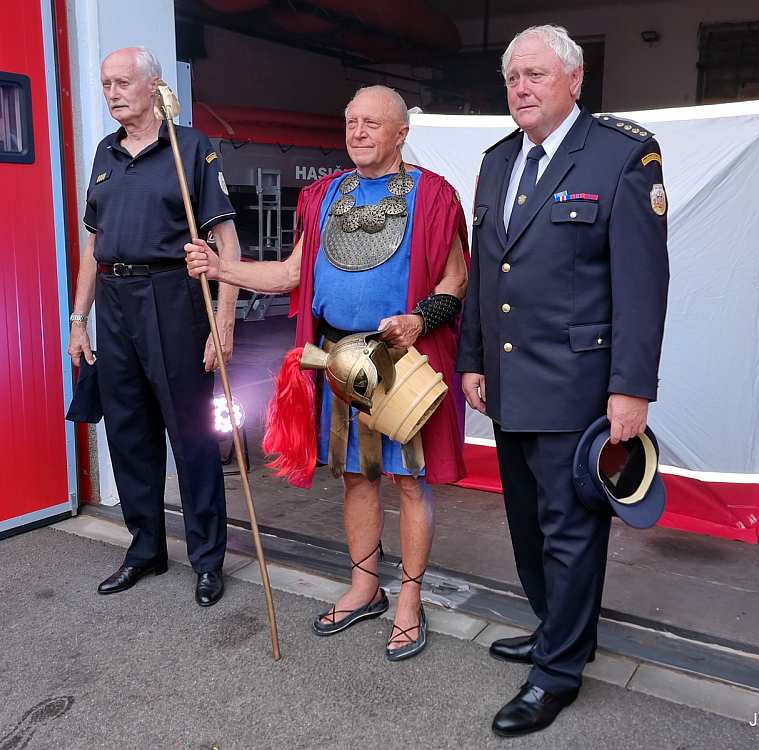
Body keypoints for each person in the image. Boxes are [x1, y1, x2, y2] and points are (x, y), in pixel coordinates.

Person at [185, 85, 469, 660]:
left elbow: (456, 279)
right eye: (351, 121)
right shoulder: (321, 197)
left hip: (402, 360)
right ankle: (365, 587)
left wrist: (419, 319)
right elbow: (292, 275)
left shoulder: (435, 196)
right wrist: (221, 268)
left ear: (401, 133)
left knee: (409, 482)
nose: (357, 132)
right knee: (356, 478)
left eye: (371, 123)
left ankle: (410, 600)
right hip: (338, 361)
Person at [457, 25, 670, 735]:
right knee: (526, 528)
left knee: (571, 533)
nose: (521, 88)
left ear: (575, 80)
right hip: (509, 382)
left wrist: (631, 388)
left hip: (578, 385)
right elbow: (488, 272)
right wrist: (472, 358)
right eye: (512, 77)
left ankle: (557, 674)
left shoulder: (621, 155)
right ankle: (559, 631)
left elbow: (643, 284)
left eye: (536, 75)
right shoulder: (497, 161)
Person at [67, 46, 241, 607]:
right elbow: (92, 244)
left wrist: (223, 322)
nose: (113, 93)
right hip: (115, 300)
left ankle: (207, 558)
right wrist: (79, 319)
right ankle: (145, 548)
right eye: (106, 84)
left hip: (172, 297)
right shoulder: (105, 152)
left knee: (191, 435)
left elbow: (227, 244)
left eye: (122, 82)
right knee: (127, 431)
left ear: (153, 86)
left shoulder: (191, 148)